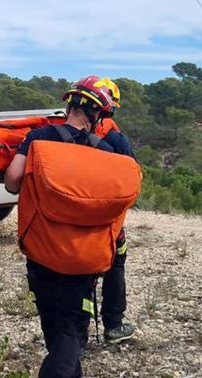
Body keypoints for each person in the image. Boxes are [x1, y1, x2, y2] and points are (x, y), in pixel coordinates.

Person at [3, 75, 124, 378]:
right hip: (85, 256)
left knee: (56, 324)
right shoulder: (108, 151)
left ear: (70, 105)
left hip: (42, 251)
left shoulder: (39, 138)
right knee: (70, 326)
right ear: (97, 115)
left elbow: (13, 182)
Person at [93, 77, 137, 344]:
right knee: (114, 266)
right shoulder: (116, 140)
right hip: (108, 223)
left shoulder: (60, 136)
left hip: (69, 220)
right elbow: (133, 182)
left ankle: (73, 330)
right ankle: (113, 324)